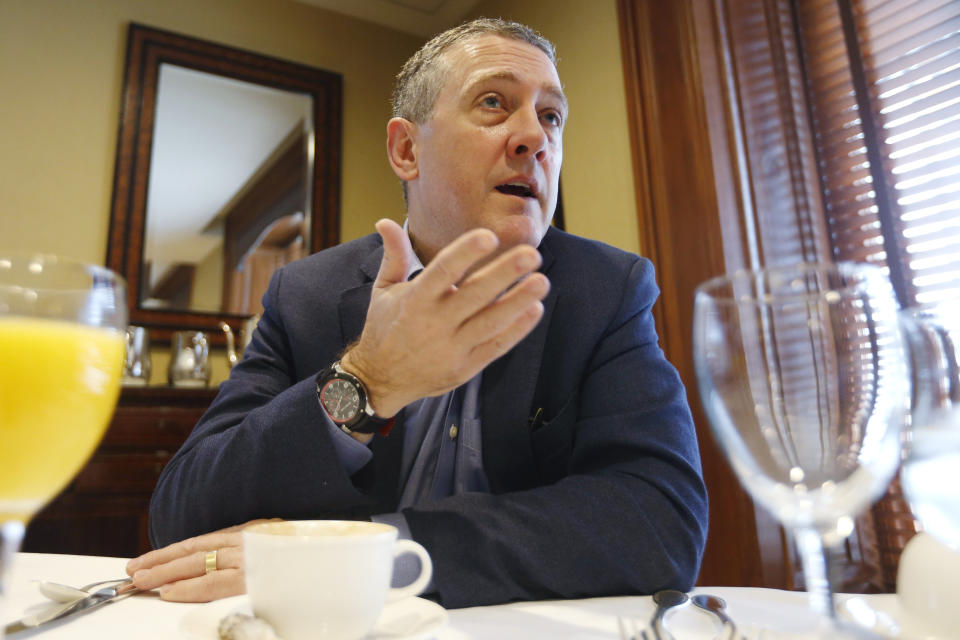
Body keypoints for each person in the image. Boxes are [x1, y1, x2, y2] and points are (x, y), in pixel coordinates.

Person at [126, 17, 709, 609]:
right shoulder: (305, 294)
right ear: (407, 150)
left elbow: (661, 522)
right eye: (493, 102)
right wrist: (367, 380)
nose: (534, 136)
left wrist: (369, 557)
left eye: (551, 116)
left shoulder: (607, 289)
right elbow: (182, 514)